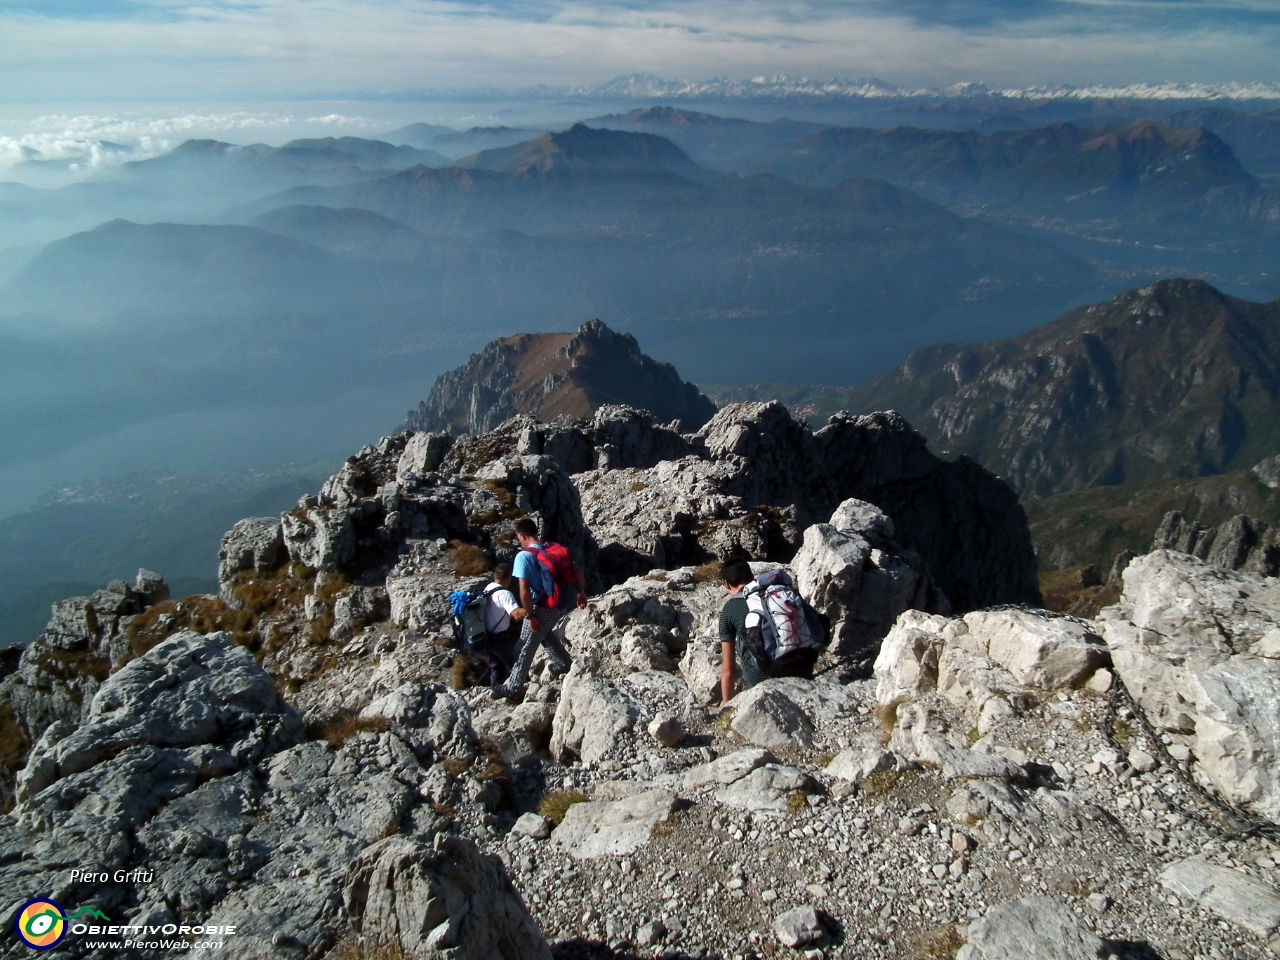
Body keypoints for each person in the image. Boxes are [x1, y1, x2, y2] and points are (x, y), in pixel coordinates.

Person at [493, 517, 588, 700]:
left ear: (521, 536)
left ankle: (513, 688)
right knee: (546, 635)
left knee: (525, 648)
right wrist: (581, 593)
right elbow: (576, 572)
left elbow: (523, 591)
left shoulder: (524, 556)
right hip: (558, 605)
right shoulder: (553, 548)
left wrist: (529, 616)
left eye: (518, 537)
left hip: (540, 608)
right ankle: (564, 663)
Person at [718, 558, 820, 704]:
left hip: (764, 677)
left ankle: (752, 690)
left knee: (743, 635)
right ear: (752, 577)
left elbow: (729, 670)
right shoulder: (779, 592)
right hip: (803, 667)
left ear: (726, 584)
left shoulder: (729, 609)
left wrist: (727, 705)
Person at [480, 562, 525, 686]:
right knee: (518, 665)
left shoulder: (487, 589)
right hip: (502, 639)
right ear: (509, 578)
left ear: (495, 576)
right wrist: (530, 610)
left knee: (497, 669)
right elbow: (515, 615)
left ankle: (497, 689)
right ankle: (517, 692)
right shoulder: (505, 594)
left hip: (488, 639)